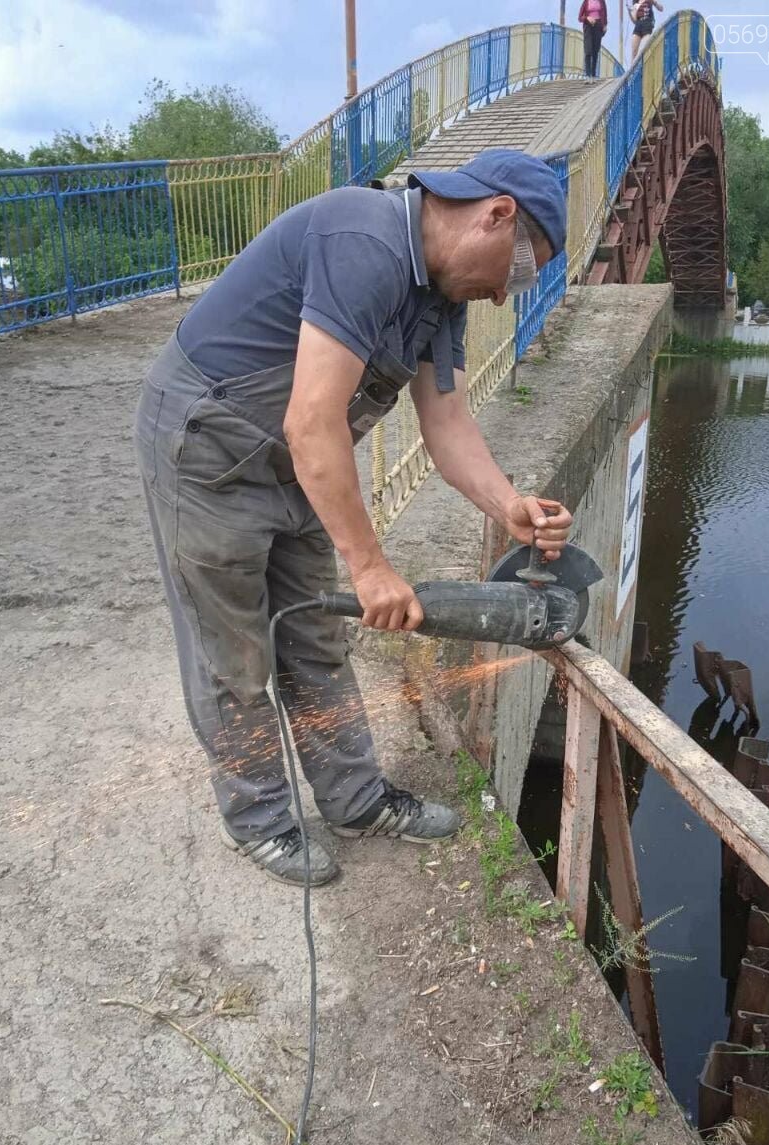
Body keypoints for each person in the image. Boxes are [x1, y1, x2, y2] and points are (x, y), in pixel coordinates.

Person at [133, 149, 574, 888]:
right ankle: (262, 821)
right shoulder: (363, 240)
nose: (507, 295)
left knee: (314, 639)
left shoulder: (443, 301)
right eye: (521, 271)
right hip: (206, 452)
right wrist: (370, 566)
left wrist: (510, 505)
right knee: (234, 656)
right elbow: (313, 422)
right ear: (497, 214)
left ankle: (356, 799)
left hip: (292, 463)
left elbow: (449, 422)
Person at [579, 0, 608, 77]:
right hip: (588, 26)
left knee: (595, 51)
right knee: (588, 50)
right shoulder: (586, 2)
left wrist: (605, 25)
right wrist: (587, 18)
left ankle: (593, 74)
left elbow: (605, 14)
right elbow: (580, 17)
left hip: (598, 26)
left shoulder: (602, 1)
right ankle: (588, 75)